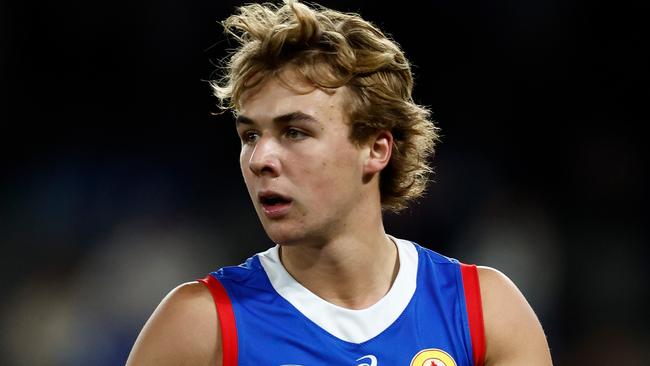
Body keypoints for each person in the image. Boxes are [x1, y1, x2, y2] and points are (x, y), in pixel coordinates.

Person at [126, 1, 553, 365]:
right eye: (250, 136)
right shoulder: (200, 327)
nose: (259, 160)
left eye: (295, 132)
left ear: (376, 149)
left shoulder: (485, 313)